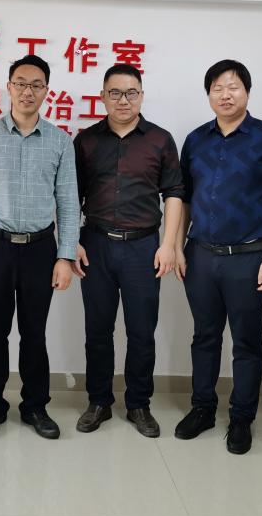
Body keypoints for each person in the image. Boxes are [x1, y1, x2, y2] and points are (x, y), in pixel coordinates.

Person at [175, 59, 262, 454]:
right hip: (201, 255)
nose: (225, 95)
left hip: (249, 256)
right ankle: (203, 408)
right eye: (217, 88)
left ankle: (241, 417)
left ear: (247, 92)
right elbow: (184, 197)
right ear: (208, 94)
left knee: (246, 340)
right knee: (204, 336)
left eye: (233, 87)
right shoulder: (196, 139)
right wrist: (177, 246)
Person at [0, 54, 80, 440]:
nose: (28, 91)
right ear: (9, 88)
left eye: (36, 85)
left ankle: (35, 406)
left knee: (34, 333)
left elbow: (68, 203)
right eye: (21, 84)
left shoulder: (60, 142)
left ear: (46, 91)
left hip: (41, 250)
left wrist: (65, 256)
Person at [71, 63, 184, 437]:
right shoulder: (86, 141)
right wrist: (72, 242)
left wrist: (169, 244)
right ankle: (99, 401)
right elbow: (70, 195)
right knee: (97, 330)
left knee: (141, 331)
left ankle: (138, 404)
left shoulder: (160, 140)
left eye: (131, 92)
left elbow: (174, 193)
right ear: (103, 96)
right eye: (115, 93)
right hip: (96, 245)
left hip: (144, 248)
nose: (123, 100)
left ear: (141, 96)